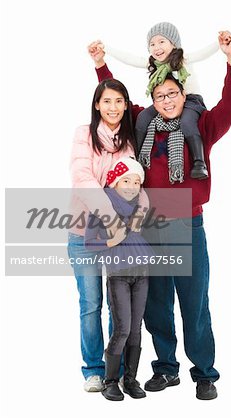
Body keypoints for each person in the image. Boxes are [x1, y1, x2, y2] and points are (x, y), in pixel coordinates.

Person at [89, 30, 231, 400]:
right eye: (160, 95)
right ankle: (166, 369)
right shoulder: (144, 125)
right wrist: (100, 67)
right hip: (149, 227)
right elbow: (117, 102)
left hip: (188, 223)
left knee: (194, 302)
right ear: (153, 99)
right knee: (156, 303)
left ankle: (204, 373)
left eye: (173, 94)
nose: (167, 100)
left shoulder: (201, 127)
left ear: (184, 95)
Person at [68, 79, 149, 393]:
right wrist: (111, 218)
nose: (113, 107)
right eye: (107, 101)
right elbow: (82, 177)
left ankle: (118, 374)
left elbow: (135, 183)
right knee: (91, 303)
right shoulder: (83, 135)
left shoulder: (128, 141)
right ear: (97, 105)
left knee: (121, 305)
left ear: (126, 105)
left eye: (119, 101)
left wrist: (140, 211)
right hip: (84, 232)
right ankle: (93, 369)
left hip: (122, 239)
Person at [88, 22, 219, 180]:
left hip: (190, 101)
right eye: (152, 44)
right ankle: (134, 156)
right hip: (164, 102)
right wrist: (106, 50)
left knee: (186, 122)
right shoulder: (153, 64)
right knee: (143, 118)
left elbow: (202, 54)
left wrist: (220, 43)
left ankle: (199, 162)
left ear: (174, 44)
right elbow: (130, 59)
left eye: (162, 42)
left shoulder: (182, 59)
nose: (157, 47)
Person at [84, 157, 154, 401]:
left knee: (136, 329)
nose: (131, 186)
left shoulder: (139, 207)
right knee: (122, 328)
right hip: (119, 276)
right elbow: (89, 242)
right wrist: (110, 241)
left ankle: (131, 379)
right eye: (126, 180)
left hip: (142, 274)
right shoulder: (103, 207)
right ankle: (110, 380)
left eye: (136, 182)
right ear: (114, 181)